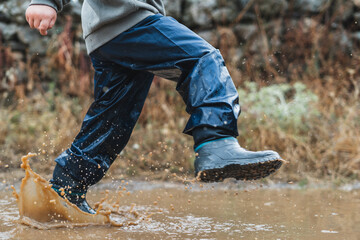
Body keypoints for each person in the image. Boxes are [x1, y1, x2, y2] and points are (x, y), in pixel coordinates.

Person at [25, 0, 283, 214]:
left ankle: (65, 190)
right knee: (202, 59)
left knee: (113, 120)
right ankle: (216, 143)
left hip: (108, 33)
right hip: (130, 20)